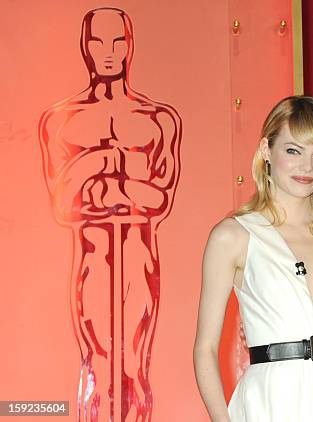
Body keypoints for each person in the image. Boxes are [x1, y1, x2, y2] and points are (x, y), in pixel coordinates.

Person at [194, 96, 313, 421]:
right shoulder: (232, 236)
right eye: (293, 151)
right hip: (269, 404)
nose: (307, 167)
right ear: (267, 151)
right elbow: (205, 350)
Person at [38, 7, 181, 421]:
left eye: (117, 41)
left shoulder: (158, 120)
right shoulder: (62, 121)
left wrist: (106, 185)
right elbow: (63, 203)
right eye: (98, 41)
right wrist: (108, 158)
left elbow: (159, 198)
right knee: (97, 368)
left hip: (139, 260)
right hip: (92, 263)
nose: (108, 51)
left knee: (135, 368)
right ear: (85, 45)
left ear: (129, 44)